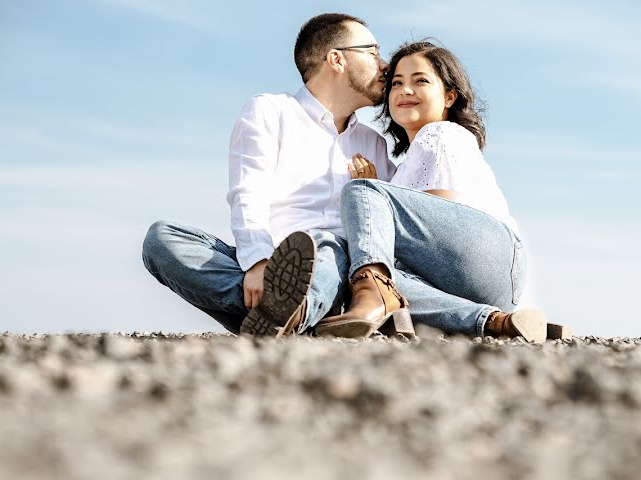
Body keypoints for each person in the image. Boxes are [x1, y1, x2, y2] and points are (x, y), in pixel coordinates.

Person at [142, 13, 394, 336]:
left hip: (338, 272)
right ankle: (286, 313)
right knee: (160, 240)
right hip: (268, 263)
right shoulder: (270, 112)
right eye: (372, 53)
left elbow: (392, 224)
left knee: (328, 243)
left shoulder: (374, 144)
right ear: (336, 59)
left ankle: (289, 312)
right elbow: (249, 191)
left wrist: (372, 190)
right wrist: (258, 263)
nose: (384, 64)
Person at [316, 41, 549, 341]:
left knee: (360, 197)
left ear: (449, 96)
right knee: (366, 271)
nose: (405, 90)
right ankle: (494, 321)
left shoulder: (438, 134)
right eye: (397, 83)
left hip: (490, 253)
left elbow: (438, 221)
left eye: (420, 81)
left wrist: (371, 194)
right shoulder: (407, 163)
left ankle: (376, 296)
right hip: (489, 288)